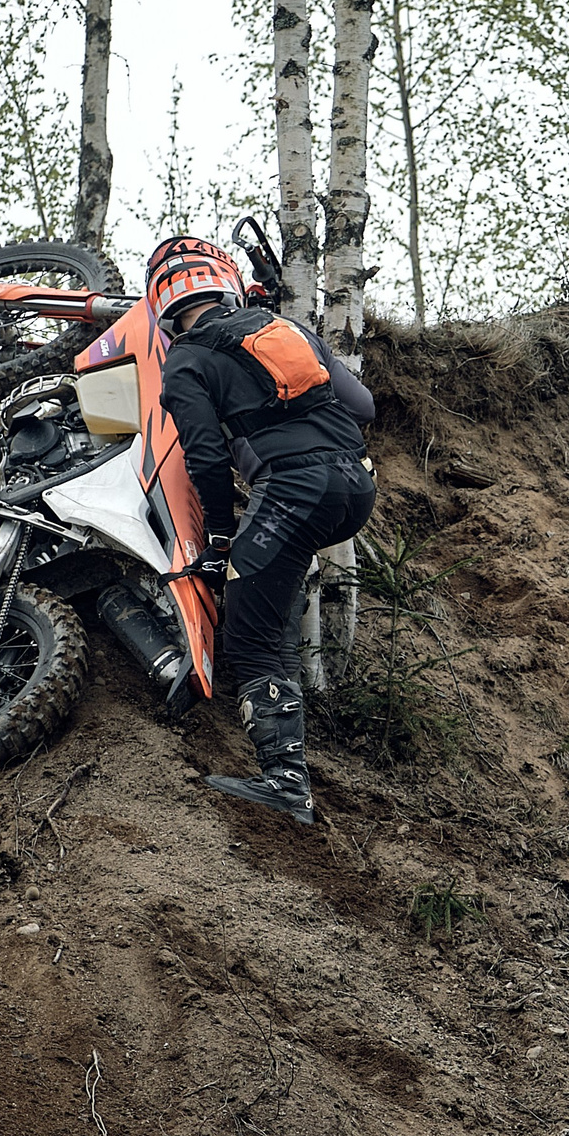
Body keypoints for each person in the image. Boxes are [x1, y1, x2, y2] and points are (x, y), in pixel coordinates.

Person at [147, 236, 377, 825]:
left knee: (246, 636)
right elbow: (364, 405)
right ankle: (289, 771)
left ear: (165, 308)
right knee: (268, 615)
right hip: (354, 487)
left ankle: (284, 780)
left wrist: (219, 533)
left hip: (294, 491)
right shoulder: (284, 329)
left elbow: (201, 457)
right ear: (225, 284)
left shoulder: (185, 359)